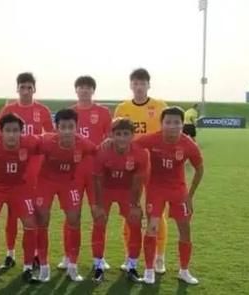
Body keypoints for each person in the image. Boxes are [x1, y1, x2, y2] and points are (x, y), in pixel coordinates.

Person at [136, 107, 204, 285]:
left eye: (176, 123)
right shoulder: (153, 138)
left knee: (185, 229)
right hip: (155, 188)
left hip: (178, 190)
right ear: (162, 124)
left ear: (182, 124)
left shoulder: (188, 144)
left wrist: (190, 195)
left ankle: (184, 271)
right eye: (168, 122)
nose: (172, 126)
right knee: (152, 227)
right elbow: (132, 144)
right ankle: (149, 270)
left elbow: (200, 168)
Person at [112, 68, 169, 273]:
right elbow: (116, 138)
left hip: (155, 166)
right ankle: (130, 255)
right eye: (135, 83)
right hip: (130, 167)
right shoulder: (122, 108)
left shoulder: (160, 106)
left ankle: (159, 257)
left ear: (148, 85)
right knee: (130, 211)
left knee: (156, 212)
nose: (139, 87)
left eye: (142, 83)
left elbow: (167, 133)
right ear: (131, 85)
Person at [0, 72, 53, 268]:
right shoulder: (8, 109)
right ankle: (10, 253)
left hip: (36, 168)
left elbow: (50, 137)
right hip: (13, 168)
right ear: (17, 88)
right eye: (23, 87)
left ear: (34, 89)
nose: (26, 91)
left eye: (29, 87)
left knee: (35, 212)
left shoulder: (43, 110)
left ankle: (35, 253)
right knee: (12, 213)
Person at [35, 108, 96, 282]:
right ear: (57, 127)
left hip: (69, 183)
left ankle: (72, 265)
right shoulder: (46, 141)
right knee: (42, 219)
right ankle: (44, 266)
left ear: (76, 127)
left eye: (71, 127)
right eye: (63, 127)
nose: (67, 131)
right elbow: (27, 144)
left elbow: (99, 151)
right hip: (45, 182)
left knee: (74, 219)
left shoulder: (84, 143)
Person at [0, 113, 40, 284]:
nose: (12, 134)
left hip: (20, 187)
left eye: (15, 131)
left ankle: (28, 267)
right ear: (0, 132)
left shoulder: (30, 142)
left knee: (30, 223)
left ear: (22, 132)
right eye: (8, 131)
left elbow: (50, 141)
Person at [61, 75, 111, 270]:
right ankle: (68, 256)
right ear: (76, 90)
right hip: (72, 174)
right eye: (81, 87)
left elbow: (110, 140)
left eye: (88, 87)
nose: (84, 90)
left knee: (99, 215)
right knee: (72, 216)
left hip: (97, 173)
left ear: (93, 90)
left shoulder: (103, 112)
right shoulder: (69, 113)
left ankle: (99, 257)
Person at [91, 118, 149, 283]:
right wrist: (99, 204)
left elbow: (138, 182)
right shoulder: (102, 151)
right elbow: (98, 180)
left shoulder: (140, 153)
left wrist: (135, 204)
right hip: (107, 189)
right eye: (118, 134)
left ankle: (132, 265)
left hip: (127, 191)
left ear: (132, 135)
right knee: (99, 221)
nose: (122, 138)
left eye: (126, 134)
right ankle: (98, 264)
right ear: (111, 135)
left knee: (135, 222)